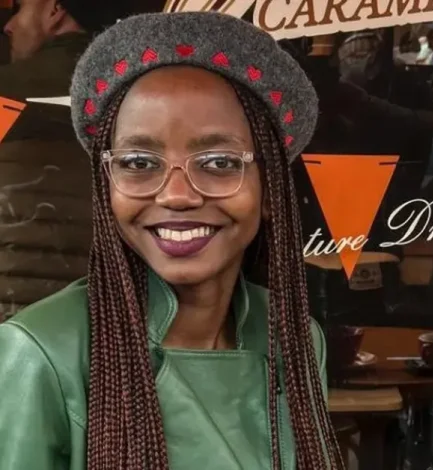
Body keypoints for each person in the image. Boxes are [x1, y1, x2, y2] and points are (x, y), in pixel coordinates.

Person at [0, 11, 342, 470]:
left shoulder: (295, 339)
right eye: (139, 163)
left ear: (270, 190)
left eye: (219, 163)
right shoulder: (40, 353)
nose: (177, 195)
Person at [0, 0, 131, 320]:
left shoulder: (3, 93)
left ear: (54, 11)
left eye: (21, 8)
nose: (8, 26)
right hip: (106, 323)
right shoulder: (139, 97)